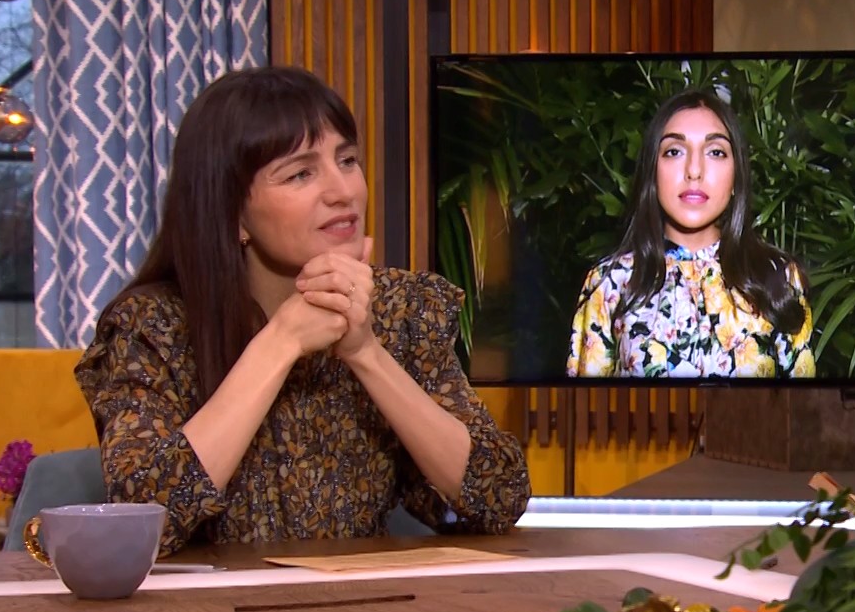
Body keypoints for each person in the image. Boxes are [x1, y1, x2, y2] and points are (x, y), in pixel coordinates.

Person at [76, 66, 531, 555]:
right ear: (232, 214)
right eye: (300, 173)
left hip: (365, 598)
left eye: (347, 160)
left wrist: (365, 352)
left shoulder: (403, 309)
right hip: (209, 601)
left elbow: (498, 497)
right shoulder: (152, 327)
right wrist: (281, 341)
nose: (343, 191)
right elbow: (141, 521)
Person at [566, 89, 816, 379]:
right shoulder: (611, 282)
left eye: (715, 152)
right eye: (674, 151)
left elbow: (804, 403)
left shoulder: (779, 278)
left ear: (737, 175)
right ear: (652, 171)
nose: (694, 171)